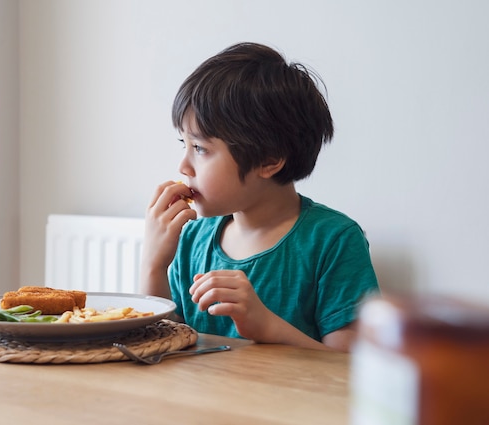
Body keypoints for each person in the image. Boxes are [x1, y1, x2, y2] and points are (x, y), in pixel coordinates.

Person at [140, 42, 379, 352]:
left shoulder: (333, 241)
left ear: (269, 160)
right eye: (182, 144)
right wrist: (152, 266)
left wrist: (267, 326)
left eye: (200, 148)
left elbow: (352, 370)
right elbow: (159, 350)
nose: (183, 166)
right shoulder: (191, 240)